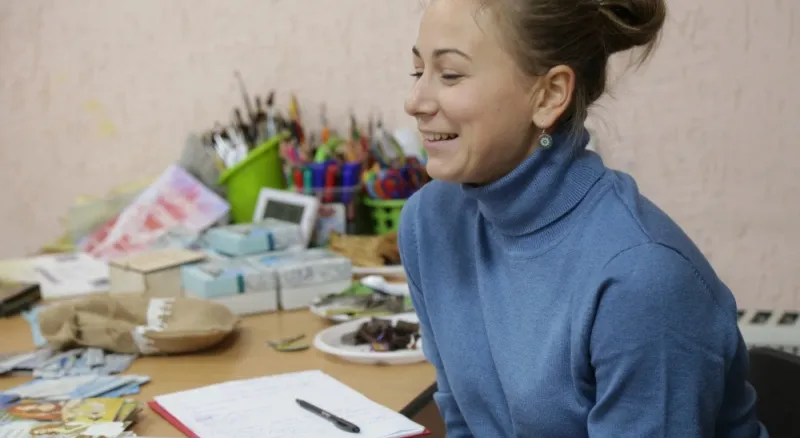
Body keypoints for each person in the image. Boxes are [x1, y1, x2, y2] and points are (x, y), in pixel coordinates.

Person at [398, 0, 768, 437]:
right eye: (418, 71)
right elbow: (465, 423)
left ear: (550, 95)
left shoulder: (640, 278)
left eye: (450, 74)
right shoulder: (429, 223)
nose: (414, 102)